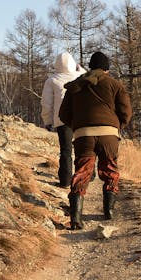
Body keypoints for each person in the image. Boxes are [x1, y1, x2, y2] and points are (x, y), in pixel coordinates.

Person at [58, 51, 132, 229]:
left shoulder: (76, 86)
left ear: (90, 67)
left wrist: (77, 126)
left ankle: (76, 217)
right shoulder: (115, 85)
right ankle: (109, 211)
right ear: (107, 69)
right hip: (109, 135)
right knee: (110, 169)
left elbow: (63, 114)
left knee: (82, 172)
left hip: (83, 135)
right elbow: (126, 112)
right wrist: (116, 127)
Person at [40, 51, 84, 187]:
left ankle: (65, 181)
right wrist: (80, 68)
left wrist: (47, 121)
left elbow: (47, 103)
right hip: (81, 119)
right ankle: (85, 177)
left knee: (66, 150)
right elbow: (88, 76)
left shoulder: (52, 80)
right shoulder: (80, 76)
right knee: (83, 149)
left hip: (62, 120)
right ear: (72, 63)